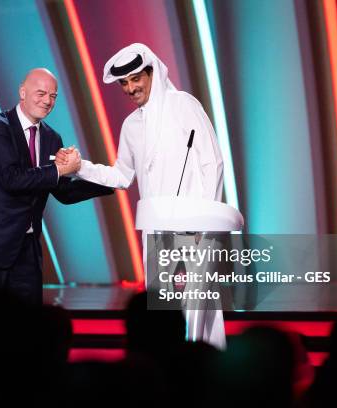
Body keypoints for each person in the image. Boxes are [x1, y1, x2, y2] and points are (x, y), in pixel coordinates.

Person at [57, 43, 226, 348]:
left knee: (198, 310)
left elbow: (211, 163)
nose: (131, 88)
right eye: (124, 82)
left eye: (136, 79)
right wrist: (81, 166)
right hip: (156, 232)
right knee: (164, 313)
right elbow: (122, 176)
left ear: (152, 72)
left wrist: (205, 224)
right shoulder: (131, 126)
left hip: (194, 227)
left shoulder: (184, 105)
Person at [0, 68, 113, 305]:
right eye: (41, 93)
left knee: (26, 330)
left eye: (53, 96)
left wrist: (111, 180)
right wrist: (59, 170)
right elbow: (12, 179)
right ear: (22, 92)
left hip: (25, 249)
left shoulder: (51, 137)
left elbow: (64, 191)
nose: (47, 101)